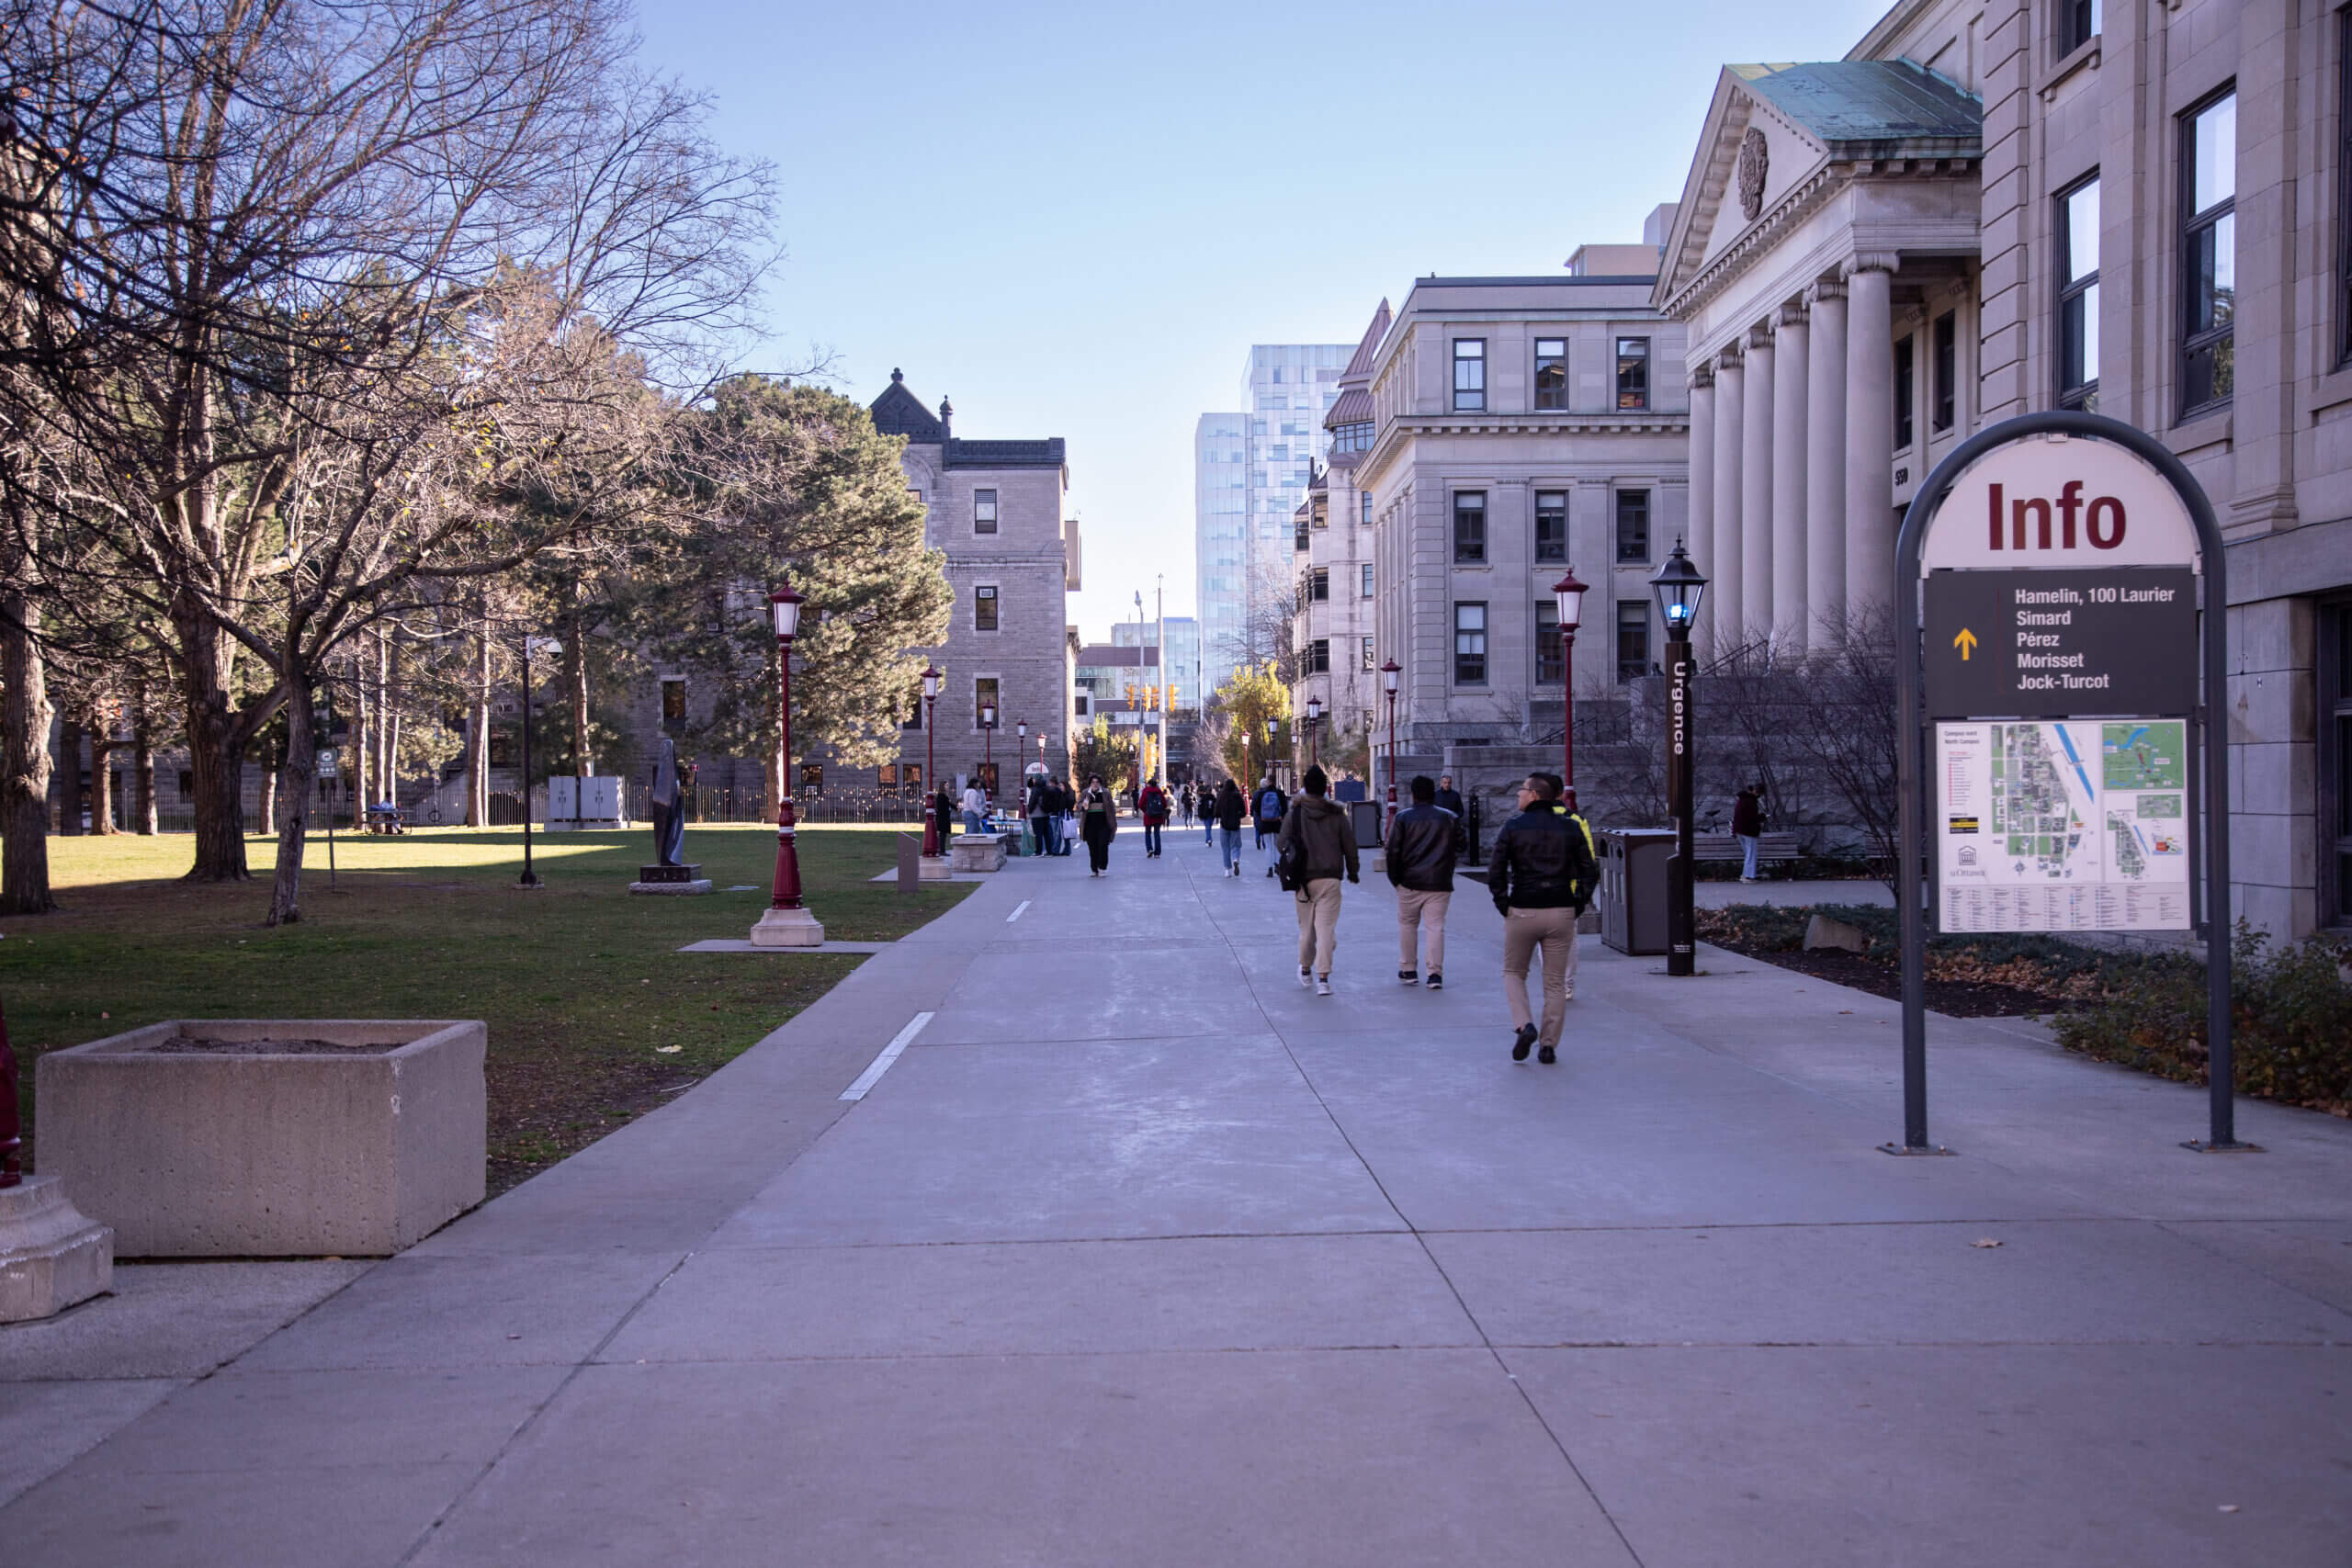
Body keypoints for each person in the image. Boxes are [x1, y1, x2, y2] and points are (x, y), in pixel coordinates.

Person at [1487, 773, 1598, 1065]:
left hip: (1523, 907)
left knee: (1514, 973)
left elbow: (1495, 871)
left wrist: (1504, 904)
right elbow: (1590, 870)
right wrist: (1577, 904)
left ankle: (1525, 1025)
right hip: (1561, 909)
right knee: (1554, 983)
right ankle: (1548, 1045)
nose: (1518, 795)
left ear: (1534, 795)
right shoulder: (1571, 827)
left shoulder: (1513, 826)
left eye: (1522, 790)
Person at [1279, 765, 1359, 995]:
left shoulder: (1295, 814)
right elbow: (1350, 846)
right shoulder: (1337, 815)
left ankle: (1305, 970)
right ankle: (1323, 979)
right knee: (1326, 930)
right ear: (1325, 788)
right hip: (1331, 878)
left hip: (1303, 879)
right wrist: (1353, 871)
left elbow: (1280, 843)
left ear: (1304, 788)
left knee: (1306, 930)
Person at [1385, 774, 1464, 989]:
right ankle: (1434, 973)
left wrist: (1396, 880)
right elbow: (1462, 844)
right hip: (1439, 881)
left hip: (1409, 880)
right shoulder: (1449, 818)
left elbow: (1393, 852)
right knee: (1435, 927)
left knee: (1408, 925)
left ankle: (1408, 969)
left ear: (1413, 794)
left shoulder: (1403, 818)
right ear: (1434, 793)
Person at [1079, 773, 1116, 875]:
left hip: (1103, 824)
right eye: (1093, 782)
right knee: (1093, 847)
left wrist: (1113, 822)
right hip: (1090, 824)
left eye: (1097, 782)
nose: (1095, 784)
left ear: (1100, 783)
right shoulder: (1085, 793)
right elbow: (1079, 805)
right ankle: (1094, 869)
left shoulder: (1105, 793)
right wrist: (1083, 804)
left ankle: (1102, 867)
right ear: (1090, 783)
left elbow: (1111, 808)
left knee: (1103, 845)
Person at [1254, 774, 1287, 877]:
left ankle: (1269, 869)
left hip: (1265, 823)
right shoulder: (1280, 793)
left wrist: (1262, 817)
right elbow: (1285, 808)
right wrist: (1281, 817)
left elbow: (1256, 807)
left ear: (1268, 781)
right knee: (1277, 846)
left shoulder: (1262, 793)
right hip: (1277, 822)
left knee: (1268, 846)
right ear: (1275, 781)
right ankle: (1277, 865)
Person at [1733, 784, 1765, 883]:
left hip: (1739, 829)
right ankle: (1748, 876)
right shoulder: (1751, 801)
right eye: (1759, 794)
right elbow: (1752, 818)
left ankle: (1745, 875)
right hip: (1748, 830)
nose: (1759, 796)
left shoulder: (1742, 800)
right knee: (1751, 853)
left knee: (1748, 854)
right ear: (1756, 792)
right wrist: (1762, 817)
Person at [1215, 778, 1246, 876]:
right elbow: (1243, 812)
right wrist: (1238, 816)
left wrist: (1221, 816)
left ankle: (1227, 870)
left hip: (1224, 824)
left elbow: (1216, 812)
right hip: (1235, 824)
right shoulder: (1238, 796)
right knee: (1236, 845)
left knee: (1225, 847)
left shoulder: (1222, 796)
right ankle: (1236, 859)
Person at [1139, 776, 1169, 858]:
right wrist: (1160, 810)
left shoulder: (1145, 791)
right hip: (1158, 816)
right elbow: (1165, 804)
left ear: (1148, 784)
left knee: (1148, 833)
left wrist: (1146, 811)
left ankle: (1149, 849)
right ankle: (1157, 853)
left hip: (1148, 816)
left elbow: (1140, 804)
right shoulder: (1159, 791)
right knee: (1157, 834)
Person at [1026, 774, 1052, 859]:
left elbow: (1033, 801)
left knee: (1038, 834)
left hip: (1037, 814)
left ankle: (1038, 852)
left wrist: (1029, 810)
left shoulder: (1035, 789)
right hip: (1046, 814)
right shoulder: (1045, 787)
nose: (1032, 780)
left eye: (1033, 779)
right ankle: (1049, 852)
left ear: (1036, 780)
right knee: (1046, 834)